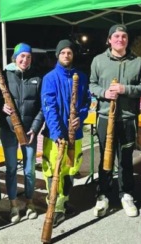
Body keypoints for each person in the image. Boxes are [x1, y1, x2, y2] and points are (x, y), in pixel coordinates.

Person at [89, 24, 141, 218]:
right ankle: (103, 194)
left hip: (127, 117)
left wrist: (125, 90)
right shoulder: (98, 61)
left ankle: (126, 194)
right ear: (109, 39)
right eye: (116, 36)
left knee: (125, 159)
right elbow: (92, 85)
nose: (120, 39)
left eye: (123, 36)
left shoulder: (137, 61)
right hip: (105, 117)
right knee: (105, 158)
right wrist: (104, 93)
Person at [0, 43, 44, 224]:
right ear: (15, 57)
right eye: (22, 56)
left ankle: (29, 203)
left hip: (29, 131)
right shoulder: (4, 74)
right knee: (11, 169)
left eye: (28, 57)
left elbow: (42, 107)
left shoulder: (37, 77)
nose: (25, 60)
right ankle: (13, 205)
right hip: (9, 129)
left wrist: (35, 128)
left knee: (29, 170)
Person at [41, 39, 91, 227]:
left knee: (70, 169)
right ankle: (54, 206)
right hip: (54, 135)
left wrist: (82, 117)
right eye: (63, 52)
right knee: (53, 169)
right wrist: (57, 132)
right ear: (57, 55)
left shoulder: (81, 76)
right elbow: (49, 107)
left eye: (69, 52)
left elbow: (86, 102)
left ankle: (62, 203)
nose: (66, 55)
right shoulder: (50, 78)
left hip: (75, 134)